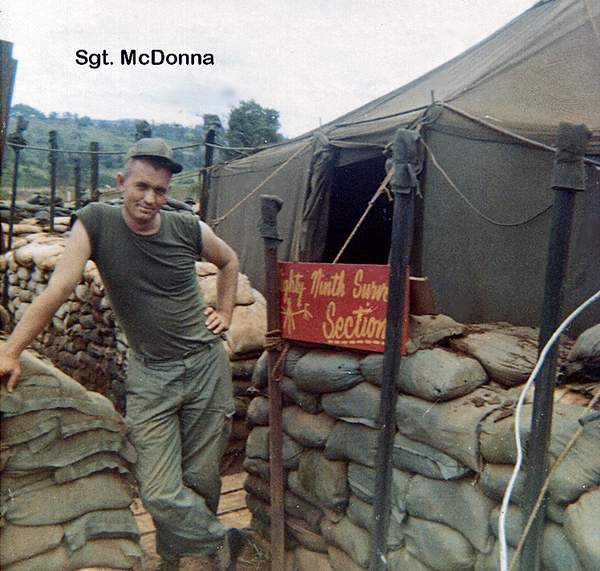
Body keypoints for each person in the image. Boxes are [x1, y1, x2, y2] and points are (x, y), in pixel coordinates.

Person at [0, 138, 246, 571]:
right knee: (157, 487)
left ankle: (183, 560)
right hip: (151, 373)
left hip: (206, 365)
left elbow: (229, 261)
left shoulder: (186, 227)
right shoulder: (95, 222)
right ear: (121, 182)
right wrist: (11, 349)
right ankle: (219, 538)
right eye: (141, 187)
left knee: (201, 477)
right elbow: (59, 288)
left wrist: (225, 311)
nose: (150, 199)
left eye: (161, 190)